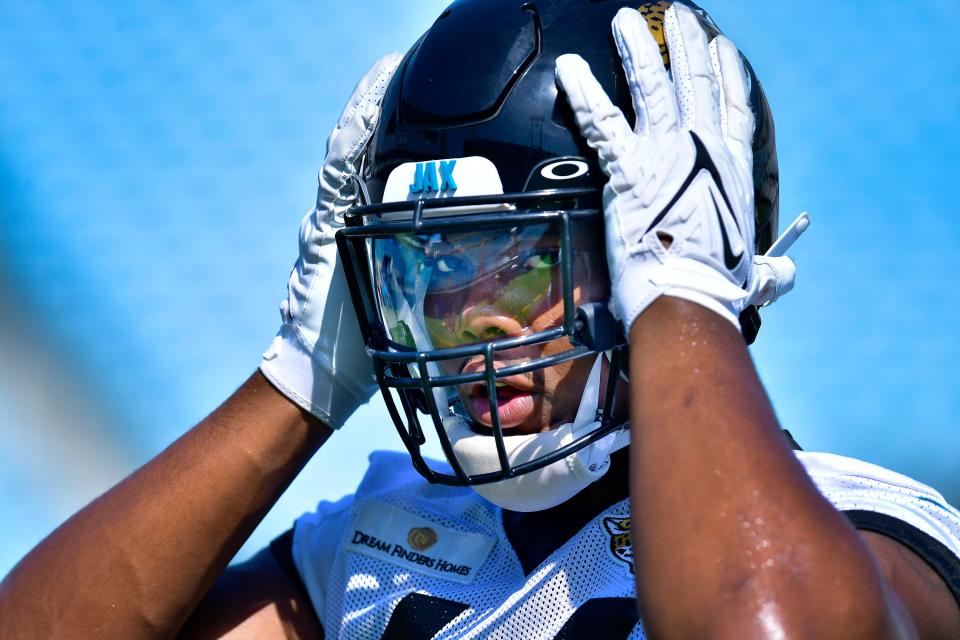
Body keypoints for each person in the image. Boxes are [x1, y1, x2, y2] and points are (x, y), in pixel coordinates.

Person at [1, 1, 959, 638]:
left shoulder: (869, 528)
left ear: (678, 243)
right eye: (429, 264)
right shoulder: (374, 550)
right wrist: (296, 378)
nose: (466, 319)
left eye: (518, 261)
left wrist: (683, 305)